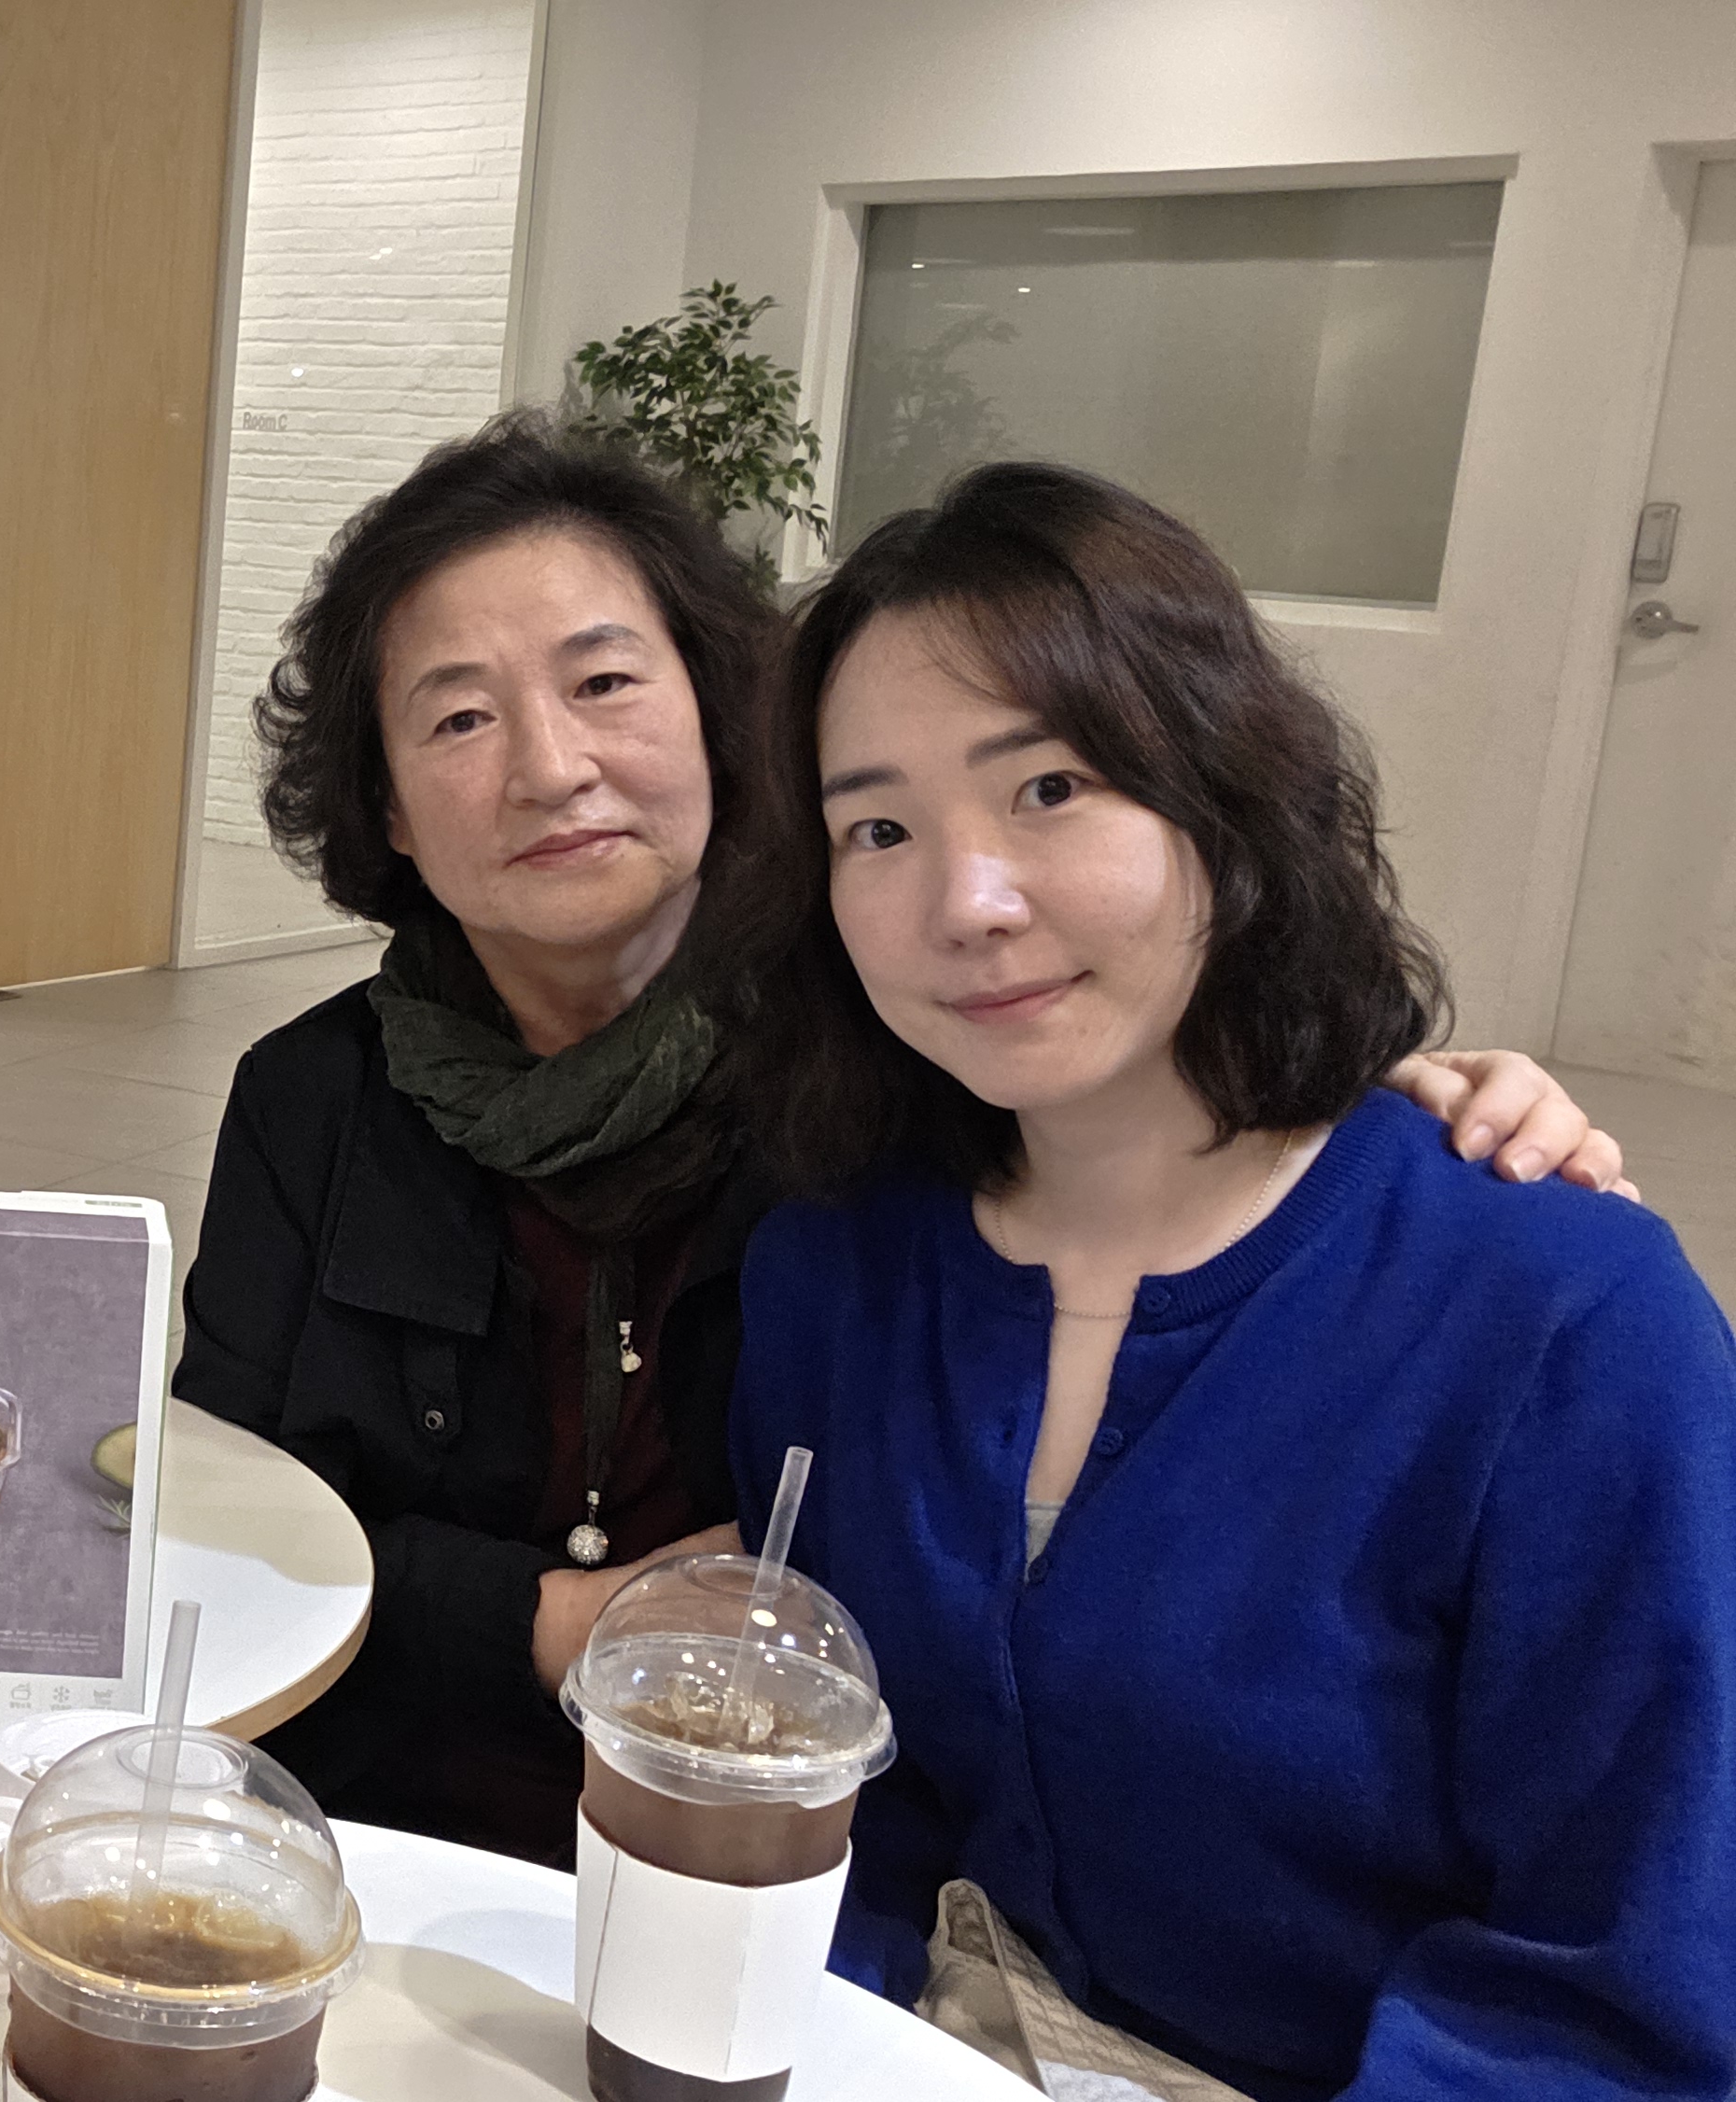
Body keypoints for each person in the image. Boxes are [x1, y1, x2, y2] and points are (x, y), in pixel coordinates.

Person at [178, 413, 1629, 1868]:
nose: (552, 767)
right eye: (458, 719)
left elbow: (1170, 1120)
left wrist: (1365, 1102)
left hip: (773, 1862)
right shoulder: (319, 1099)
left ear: (721, 714)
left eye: (605, 681)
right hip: (369, 1824)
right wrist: (556, 1622)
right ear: (385, 804)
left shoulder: (894, 1068)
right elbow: (216, 1518)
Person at [728, 462, 1736, 2099]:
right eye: (880, 829)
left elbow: (1628, 2003)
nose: (968, 902)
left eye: (1049, 787)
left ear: (1221, 794)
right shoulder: (837, 1271)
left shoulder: (1564, 1319)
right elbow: (851, 1811)